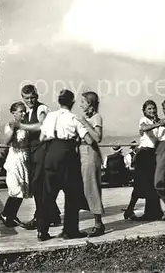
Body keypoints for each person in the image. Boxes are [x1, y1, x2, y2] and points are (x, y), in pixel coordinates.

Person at [37, 89, 94, 241]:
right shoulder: (74, 117)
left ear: (59, 101)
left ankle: (42, 231)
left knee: (48, 194)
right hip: (67, 154)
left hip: (51, 153)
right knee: (72, 194)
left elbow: (42, 137)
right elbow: (89, 140)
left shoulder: (50, 116)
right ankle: (70, 230)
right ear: (72, 102)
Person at [16, 84, 61, 230]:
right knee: (39, 185)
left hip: (44, 150)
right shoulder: (27, 112)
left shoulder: (41, 109)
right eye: (27, 98)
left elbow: (42, 125)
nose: (30, 100)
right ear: (23, 98)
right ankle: (52, 215)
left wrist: (22, 127)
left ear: (37, 96)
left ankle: (39, 217)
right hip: (33, 151)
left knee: (37, 184)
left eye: (32, 97)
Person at [123, 100, 163, 221]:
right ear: (144, 111)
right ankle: (130, 210)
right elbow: (144, 128)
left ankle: (153, 212)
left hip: (153, 154)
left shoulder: (158, 121)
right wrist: (158, 125)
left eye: (154, 108)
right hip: (144, 155)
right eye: (149, 109)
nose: (152, 111)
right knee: (141, 184)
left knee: (152, 185)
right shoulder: (144, 120)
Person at [76, 91, 105, 237]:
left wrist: (85, 124)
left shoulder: (96, 117)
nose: (80, 104)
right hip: (81, 155)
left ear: (90, 103)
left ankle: (99, 224)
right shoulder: (86, 117)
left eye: (83, 102)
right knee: (84, 189)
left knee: (92, 188)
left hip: (91, 155)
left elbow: (97, 138)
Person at [0, 102, 31, 228]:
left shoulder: (27, 125)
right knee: (16, 189)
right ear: (14, 113)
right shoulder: (10, 125)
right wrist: (14, 128)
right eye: (20, 111)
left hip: (25, 159)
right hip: (15, 159)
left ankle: (8, 214)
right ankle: (8, 215)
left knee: (22, 189)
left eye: (24, 111)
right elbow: (6, 141)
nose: (23, 113)